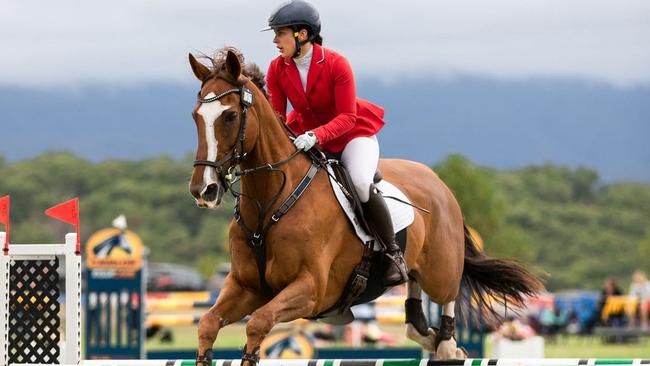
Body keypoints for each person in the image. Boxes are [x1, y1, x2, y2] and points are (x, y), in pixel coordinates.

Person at [263, 0, 408, 286]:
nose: (275, 40)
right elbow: (278, 116)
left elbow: (347, 116)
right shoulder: (277, 69)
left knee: (360, 183)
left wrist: (316, 136)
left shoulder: (335, 63)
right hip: (306, 136)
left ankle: (393, 253)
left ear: (301, 34)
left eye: (280, 33)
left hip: (352, 134)